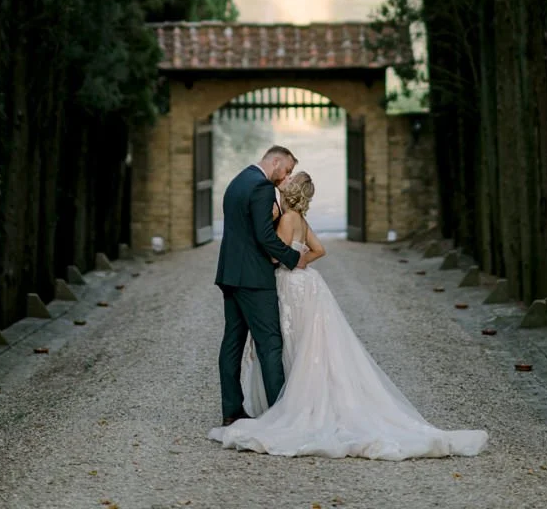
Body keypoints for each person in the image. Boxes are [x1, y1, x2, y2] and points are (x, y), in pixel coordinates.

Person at [209, 171, 489, 460]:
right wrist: (303, 259)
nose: (284, 182)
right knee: (308, 343)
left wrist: (285, 257)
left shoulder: (286, 219)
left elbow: (272, 255)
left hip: (288, 284)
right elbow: (320, 249)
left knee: (287, 342)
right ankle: (304, 399)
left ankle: (289, 405)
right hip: (308, 283)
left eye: (288, 182)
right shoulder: (301, 220)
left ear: (290, 193)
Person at [215, 145, 309, 427]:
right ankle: (280, 414)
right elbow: (264, 236)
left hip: (230, 274)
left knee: (233, 342)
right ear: (275, 161)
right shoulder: (261, 187)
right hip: (254, 278)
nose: (286, 177)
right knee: (270, 343)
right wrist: (293, 257)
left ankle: (232, 411)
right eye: (287, 170)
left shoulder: (237, 181)